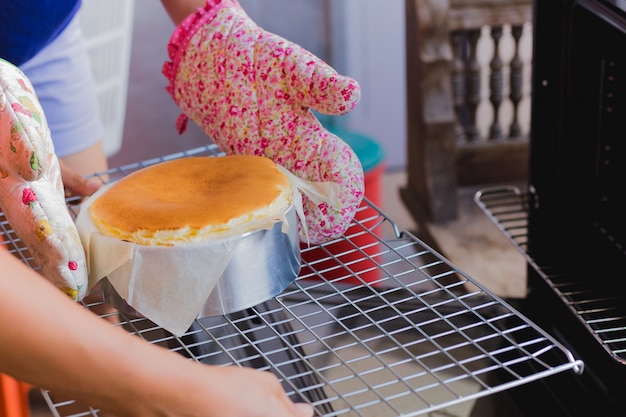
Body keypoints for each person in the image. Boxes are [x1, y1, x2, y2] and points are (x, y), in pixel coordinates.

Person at [1, 0, 360, 415]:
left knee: (92, 273)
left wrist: (209, 27)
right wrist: (168, 392)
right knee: (63, 278)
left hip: (36, 29)